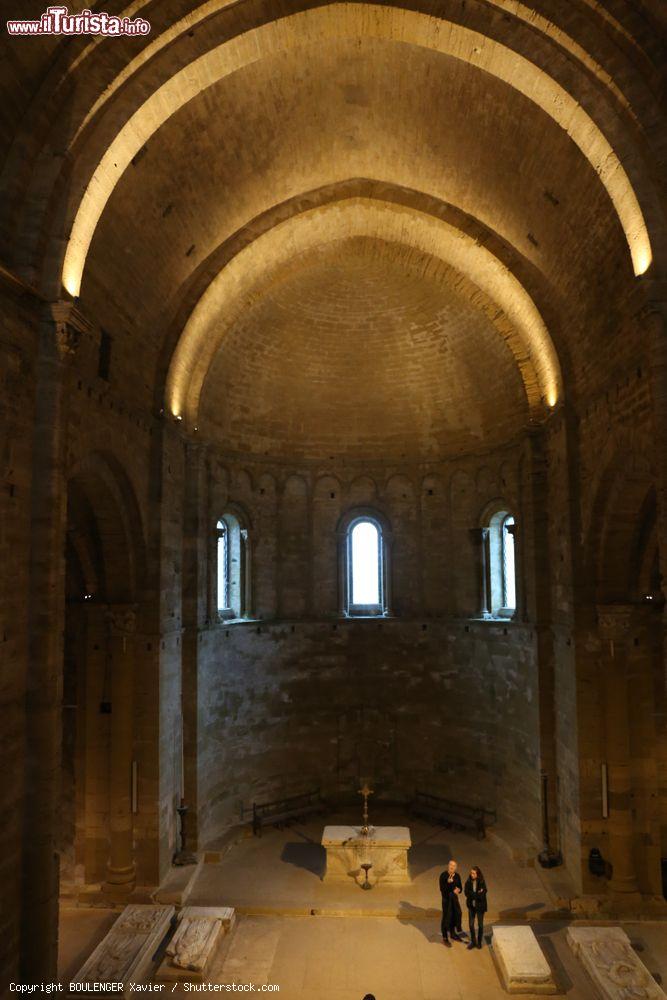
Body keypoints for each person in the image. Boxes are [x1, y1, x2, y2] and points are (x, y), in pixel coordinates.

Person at [439, 859, 464, 946]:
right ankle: (445, 937)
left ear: (456, 868)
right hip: (446, 900)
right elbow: (442, 890)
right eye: (450, 865)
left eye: (454, 866)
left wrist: (459, 890)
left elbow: (460, 887)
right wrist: (448, 883)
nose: (452, 867)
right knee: (446, 917)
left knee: (455, 915)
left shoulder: (457, 876)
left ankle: (453, 933)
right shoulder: (443, 876)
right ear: (448, 865)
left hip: (454, 899)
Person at [464, 865, 488, 949]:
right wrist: (477, 893)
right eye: (471, 873)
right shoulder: (468, 882)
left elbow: (483, 894)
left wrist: (473, 894)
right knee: (471, 925)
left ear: (477, 874)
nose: (472, 875)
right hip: (471, 906)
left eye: (473, 873)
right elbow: (466, 893)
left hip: (480, 906)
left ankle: (479, 941)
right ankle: (473, 942)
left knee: (480, 925)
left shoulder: (481, 882)